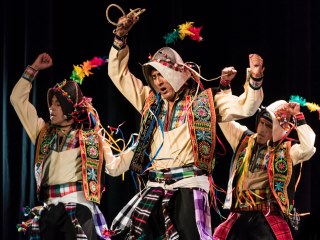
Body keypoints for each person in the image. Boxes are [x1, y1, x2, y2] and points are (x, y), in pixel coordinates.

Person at [106, 13, 265, 240]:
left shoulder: (204, 103)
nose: (159, 81)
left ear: (177, 74)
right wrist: (120, 37)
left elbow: (246, 107)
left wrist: (255, 81)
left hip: (189, 185)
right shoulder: (149, 101)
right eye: (154, 76)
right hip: (156, 185)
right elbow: (118, 74)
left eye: (162, 74)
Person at [11, 53, 134, 240]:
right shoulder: (43, 132)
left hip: (78, 208)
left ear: (69, 109)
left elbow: (115, 167)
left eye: (57, 104)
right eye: (51, 103)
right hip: (48, 209)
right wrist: (33, 69)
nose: (51, 108)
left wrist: (141, 147)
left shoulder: (90, 137)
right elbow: (16, 99)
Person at [213, 99, 316, 240]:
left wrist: (298, 117)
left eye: (268, 126)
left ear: (277, 130)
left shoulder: (287, 150)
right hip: (239, 214)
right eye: (261, 123)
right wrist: (224, 87)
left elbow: (308, 148)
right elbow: (223, 117)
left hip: (266, 217)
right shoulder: (244, 139)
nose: (261, 129)